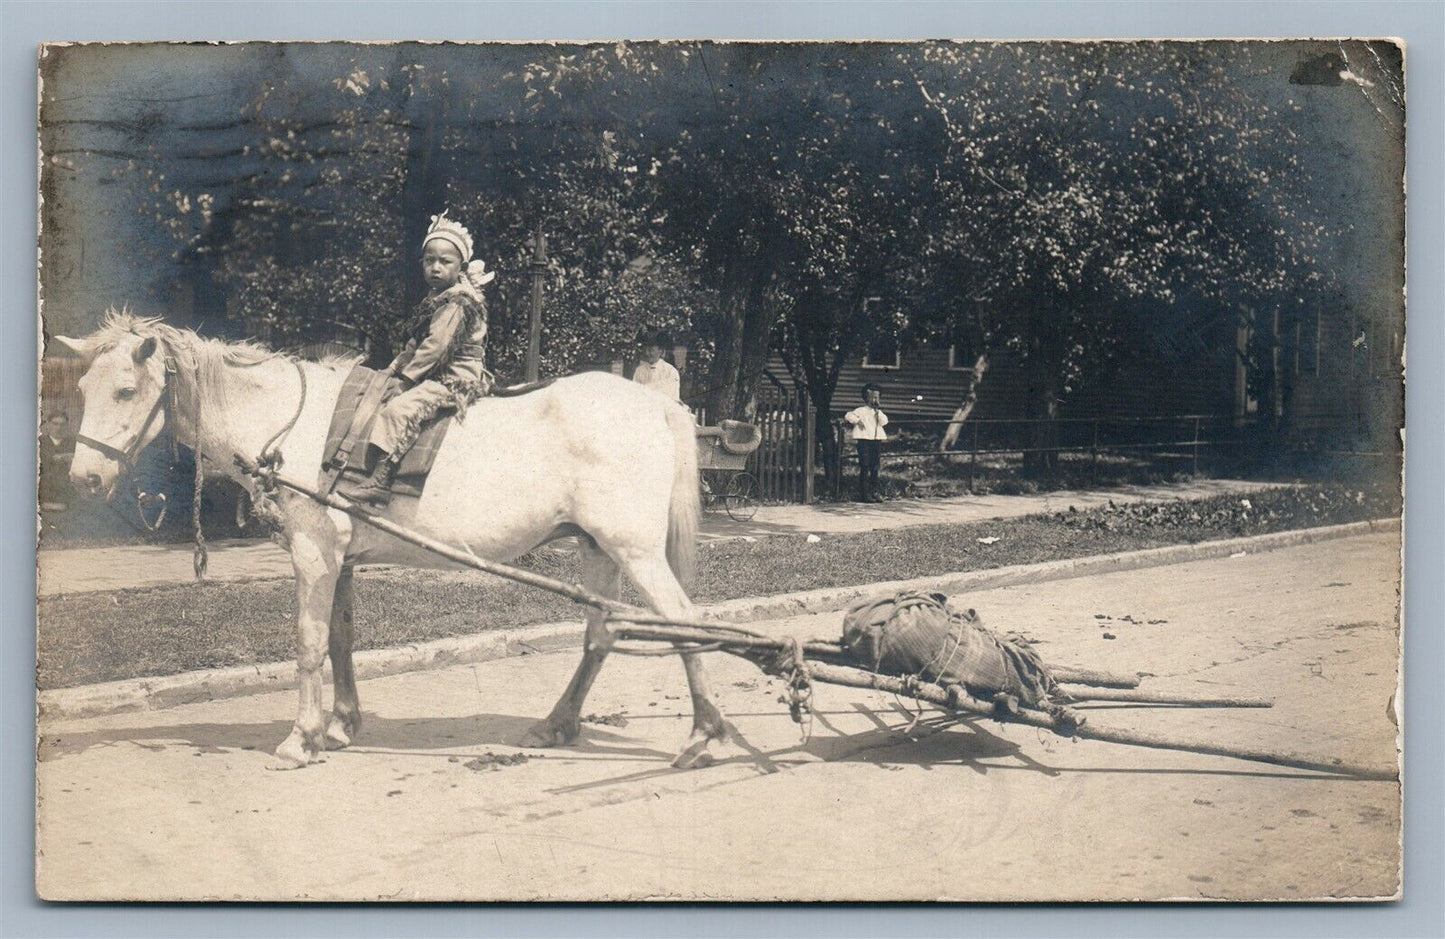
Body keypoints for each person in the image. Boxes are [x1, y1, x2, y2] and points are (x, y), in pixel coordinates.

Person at [347, 212, 495, 506]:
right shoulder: (437, 299)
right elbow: (415, 344)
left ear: (461, 267)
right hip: (437, 376)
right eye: (430, 260)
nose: (436, 268)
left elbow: (435, 347)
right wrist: (391, 370)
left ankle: (382, 478)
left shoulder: (458, 302)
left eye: (445, 262)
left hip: (456, 381)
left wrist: (404, 381)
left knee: (400, 409)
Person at [843, 383, 888, 503]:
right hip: (864, 441)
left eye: (877, 398)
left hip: (876, 441)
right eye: (872, 397)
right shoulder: (861, 410)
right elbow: (848, 415)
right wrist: (858, 421)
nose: (875, 400)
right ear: (866, 398)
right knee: (865, 466)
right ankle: (864, 494)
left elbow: (884, 422)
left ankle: (874, 492)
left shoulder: (878, 413)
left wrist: (877, 411)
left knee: (875, 467)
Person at [39, 411, 74, 512]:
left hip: (68, 498)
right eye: (55, 423)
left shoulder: (74, 444)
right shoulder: (39, 442)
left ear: (67, 426)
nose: (59, 427)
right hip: (43, 496)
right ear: (49, 424)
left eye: (62, 424)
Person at [631, 331, 681, 402]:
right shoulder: (639, 370)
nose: (647, 353)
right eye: (645, 349)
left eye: (651, 350)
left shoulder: (670, 371)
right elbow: (635, 394)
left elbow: (673, 397)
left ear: (661, 351)